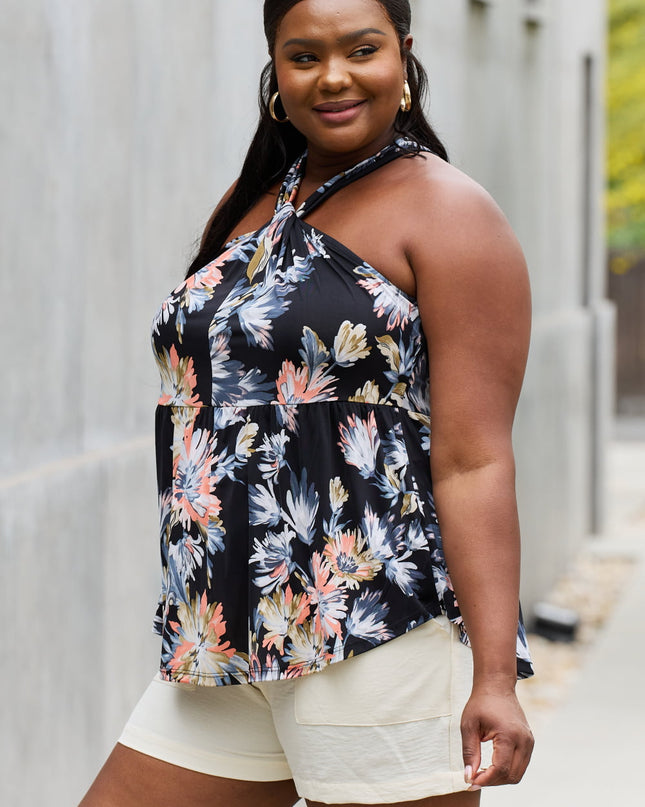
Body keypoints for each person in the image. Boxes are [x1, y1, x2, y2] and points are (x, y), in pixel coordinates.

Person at [80, 0, 534, 805]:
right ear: (274, 72)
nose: (333, 76)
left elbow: (473, 458)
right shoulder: (260, 200)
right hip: (221, 635)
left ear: (403, 55)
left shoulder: (448, 212)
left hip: (370, 628)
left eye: (361, 49)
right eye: (303, 56)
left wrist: (494, 676)